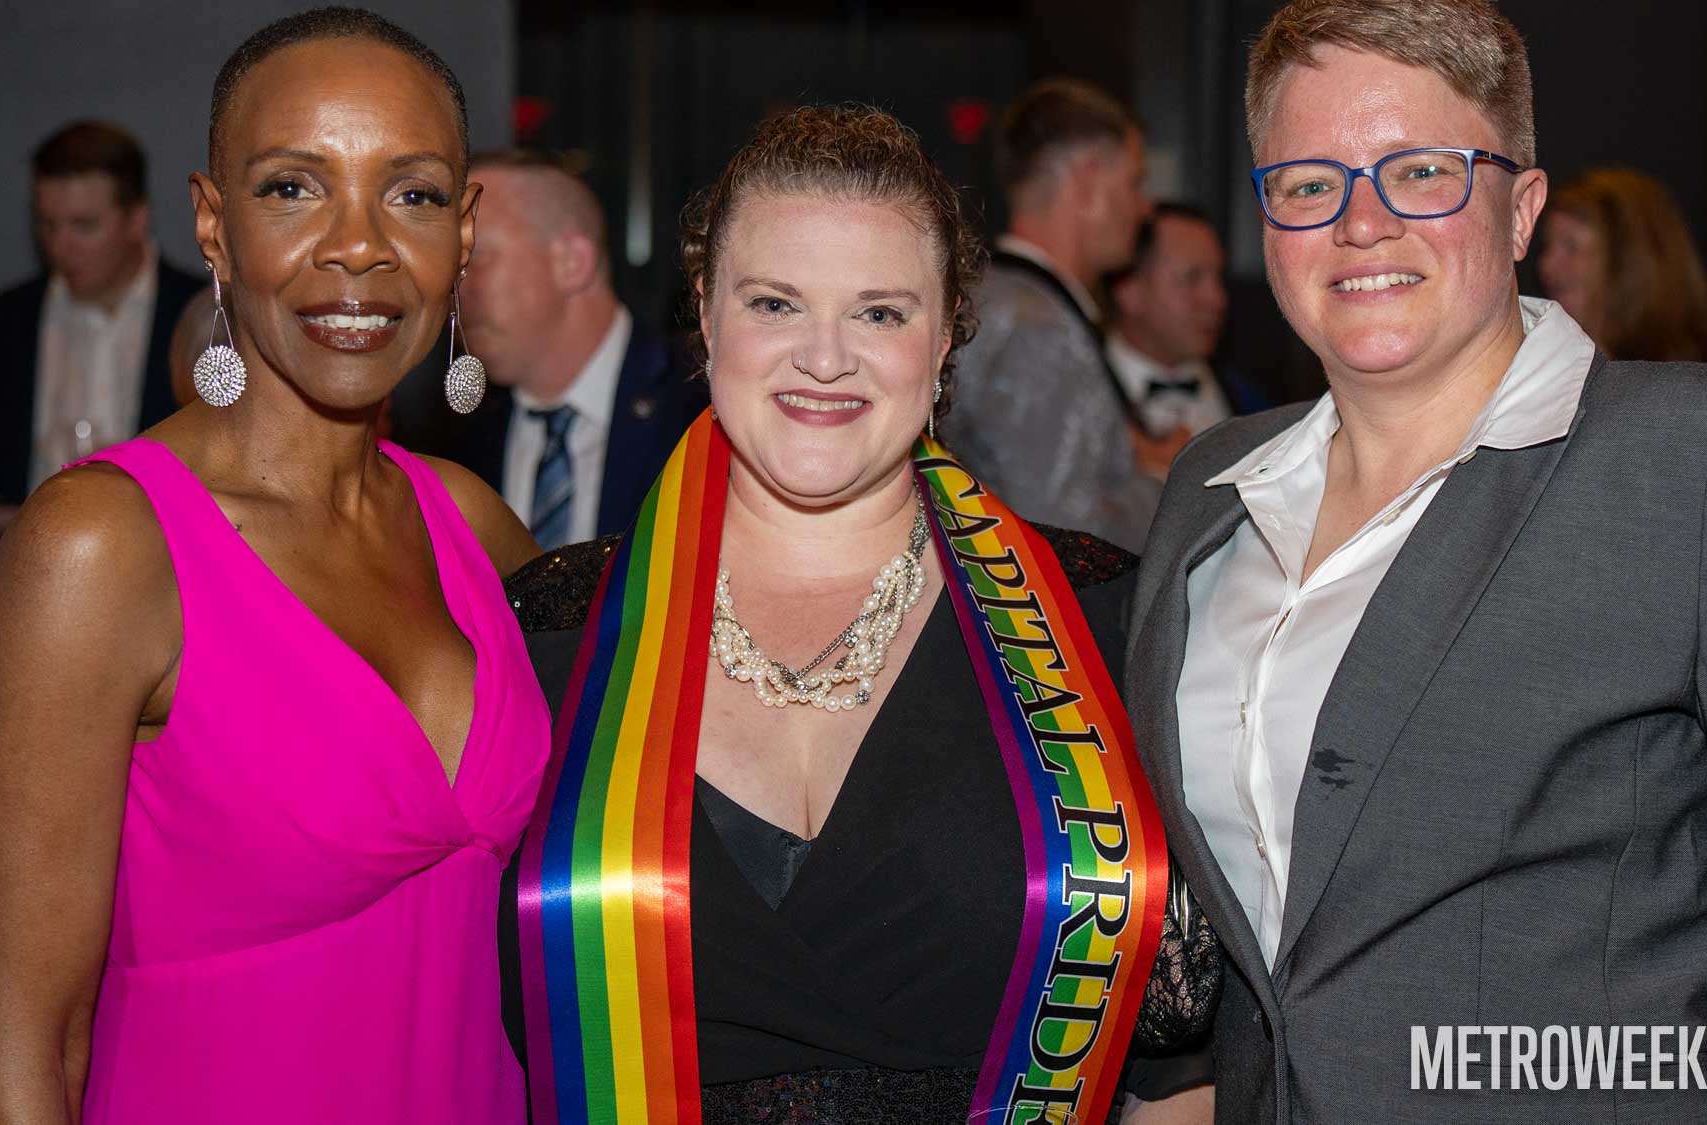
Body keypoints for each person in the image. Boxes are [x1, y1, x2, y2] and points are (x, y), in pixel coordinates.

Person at [1129, 1, 1707, 1123]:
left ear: (1521, 209)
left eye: (1420, 173)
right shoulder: (1212, 490)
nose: (1361, 223)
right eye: (1308, 183)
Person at [500, 104, 1216, 1124]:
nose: (825, 358)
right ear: (706, 314)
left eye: (879, 313)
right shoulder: (551, 628)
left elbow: (1179, 1074)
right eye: (775, 303)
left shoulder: (1101, 618)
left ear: (946, 334)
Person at [0, 9, 549, 1122]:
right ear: (212, 225)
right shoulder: (101, 546)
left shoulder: (472, 524)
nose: (358, 246)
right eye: (292, 188)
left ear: (464, 233)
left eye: (412, 194)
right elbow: (19, 1044)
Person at [0, 120, 197, 575]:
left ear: (137, 219)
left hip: (162, 589)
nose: (60, 246)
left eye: (83, 226)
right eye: (47, 224)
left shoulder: (204, 317)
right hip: (23, 579)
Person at [400, 148, 705, 547]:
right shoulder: (450, 438)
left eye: (477, 258)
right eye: (450, 266)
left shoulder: (701, 403)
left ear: (572, 263)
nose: (453, 287)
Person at [944, 78, 1168, 550]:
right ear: (1088, 183)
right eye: (1134, 182)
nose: (1145, 208)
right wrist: (1162, 474)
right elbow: (1066, 539)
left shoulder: (986, 296)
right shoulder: (1038, 330)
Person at [1103, 203, 1253, 443]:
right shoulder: (1078, 392)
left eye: (1218, 277)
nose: (1217, 299)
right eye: (1192, 278)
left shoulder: (1248, 394)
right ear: (1128, 289)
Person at [1536, 165, 1707, 361]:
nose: (1546, 266)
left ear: (1629, 262)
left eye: (1571, 247)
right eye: (1547, 246)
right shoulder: (1540, 364)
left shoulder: (1680, 378)